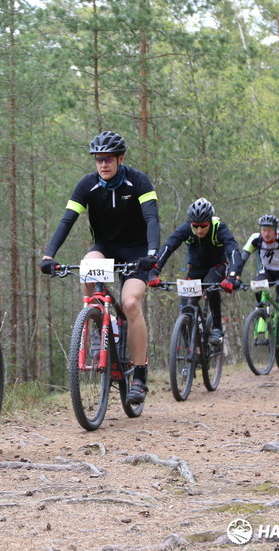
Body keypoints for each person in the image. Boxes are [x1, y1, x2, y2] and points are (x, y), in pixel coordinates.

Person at [40, 131, 159, 405]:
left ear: (121, 158)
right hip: (106, 247)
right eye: (97, 160)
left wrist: (152, 253)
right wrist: (49, 255)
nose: (102, 165)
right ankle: (97, 330)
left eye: (108, 159)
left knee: (130, 304)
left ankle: (140, 375)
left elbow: (152, 218)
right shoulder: (87, 185)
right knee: (86, 267)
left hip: (137, 251)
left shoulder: (138, 181)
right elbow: (67, 220)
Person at [147, 198, 241, 345]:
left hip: (216, 267)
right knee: (185, 312)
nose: (199, 230)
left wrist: (232, 277)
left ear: (209, 222)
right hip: (195, 270)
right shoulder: (186, 228)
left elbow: (233, 252)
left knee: (211, 285)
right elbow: (168, 247)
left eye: (203, 226)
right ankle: (191, 354)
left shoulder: (219, 228)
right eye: (195, 226)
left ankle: (216, 327)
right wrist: (154, 272)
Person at [226, 214, 279, 363]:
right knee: (257, 286)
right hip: (267, 272)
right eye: (263, 230)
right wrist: (236, 277)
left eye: (269, 230)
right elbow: (242, 257)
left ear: (275, 230)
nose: (266, 233)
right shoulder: (255, 239)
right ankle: (262, 314)